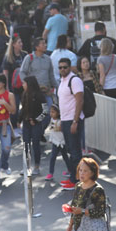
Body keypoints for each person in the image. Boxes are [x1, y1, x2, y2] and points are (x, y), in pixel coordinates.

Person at [66, 157, 107, 231]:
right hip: (79, 230)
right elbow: (74, 207)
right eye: (80, 170)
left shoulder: (97, 190)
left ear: (93, 172)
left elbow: (100, 211)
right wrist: (70, 225)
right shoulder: (78, 186)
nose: (81, 173)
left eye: (85, 171)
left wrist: (83, 211)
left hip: (92, 230)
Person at [57, 58, 84, 191]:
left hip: (73, 120)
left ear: (70, 67)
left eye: (65, 67)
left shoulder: (75, 80)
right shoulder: (62, 81)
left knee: (75, 153)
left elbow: (79, 101)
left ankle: (77, 180)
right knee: (70, 151)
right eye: (60, 67)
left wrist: (75, 121)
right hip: (66, 120)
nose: (63, 69)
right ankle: (74, 177)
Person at [19, 37, 57, 128]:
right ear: (36, 47)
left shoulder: (48, 59)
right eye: (43, 44)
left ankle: (40, 131)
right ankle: (35, 132)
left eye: (45, 43)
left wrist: (56, 87)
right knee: (34, 113)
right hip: (34, 93)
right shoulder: (29, 58)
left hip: (46, 91)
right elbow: (22, 72)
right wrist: (27, 85)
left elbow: (51, 75)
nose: (45, 45)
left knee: (47, 113)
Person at [20, 76, 49, 175]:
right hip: (26, 123)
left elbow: (45, 111)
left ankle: (37, 166)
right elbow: (23, 109)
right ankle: (26, 166)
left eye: (24, 83)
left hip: (36, 124)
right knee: (26, 144)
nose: (22, 85)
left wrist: (36, 120)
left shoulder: (40, 95)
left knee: (36, 144)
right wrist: (19, 120)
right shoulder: (24, 94)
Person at [1, 36, 27, 134]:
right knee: (14, 106)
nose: (21, 44)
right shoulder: (8, 57)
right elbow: (5, 73)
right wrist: (6, 87)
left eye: (21, 42)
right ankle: (14, 126)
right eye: (19, 42)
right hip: (13, 87)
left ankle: (22, 123)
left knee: (25, 105)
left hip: (23, 86)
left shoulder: (24, 55)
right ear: (13, 44)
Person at [45, 104, 70, 181]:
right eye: (50, 112)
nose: (51, 114)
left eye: (53, 112)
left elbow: (61, 130)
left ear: (58, 113)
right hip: (55, 142)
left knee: (65, 157)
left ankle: (70, 170)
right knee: (52, 157)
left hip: (62, 142)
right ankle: (50, 173)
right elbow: (52, 130)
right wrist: (51, 139)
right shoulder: (52, 120)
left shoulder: (61, 121)